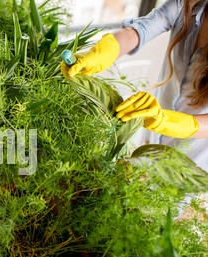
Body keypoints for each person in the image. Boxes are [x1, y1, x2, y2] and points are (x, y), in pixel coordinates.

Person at [61, 0, 208, 172]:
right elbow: (141, 29)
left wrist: (165, 120)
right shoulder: (188, 5)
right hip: (153, 142)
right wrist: (104, 51)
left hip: (192, 165)